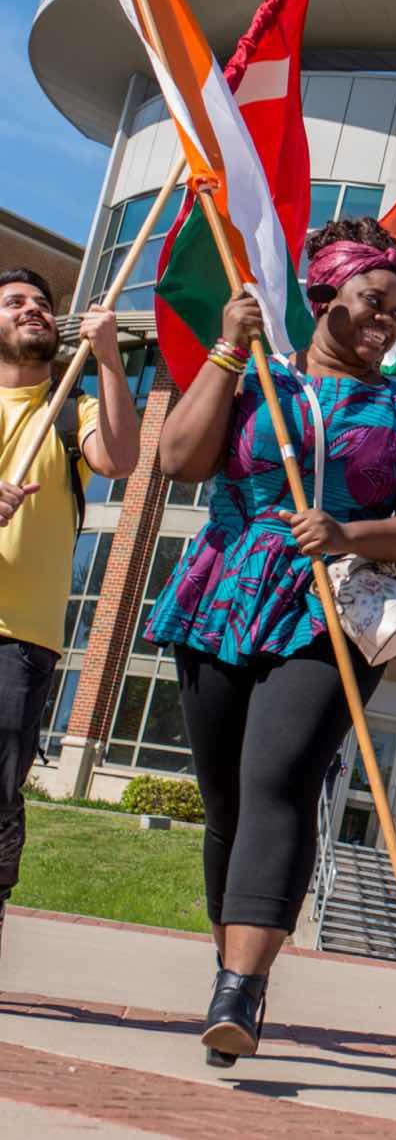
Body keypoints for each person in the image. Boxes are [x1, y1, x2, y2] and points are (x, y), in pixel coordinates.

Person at [144, 218, 396, 1067]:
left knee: (279, 776)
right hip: (223, 594)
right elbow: (178, 459)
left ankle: (241, 989)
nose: (386, 322)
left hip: (328, 608)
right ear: (325, 300)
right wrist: (226, 352)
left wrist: (349, 533)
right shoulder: (260, 382)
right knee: (227, 802)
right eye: (371, 303)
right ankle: (229, 965)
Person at [0, 269, 140, 956]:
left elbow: (118, 457)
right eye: (15, 303)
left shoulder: (68, 408)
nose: (34, 311)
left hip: (20, 638)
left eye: (42, 305)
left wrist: (111, 358)